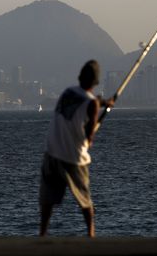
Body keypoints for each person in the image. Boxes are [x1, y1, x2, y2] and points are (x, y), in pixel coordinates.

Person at [39, 59, 114, 237]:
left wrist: (104, 103)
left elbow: (85, 102)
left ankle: (42, 233)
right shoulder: (92, 104)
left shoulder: (67, 92)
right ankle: (91, 233)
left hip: (52, 152)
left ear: (80, 77)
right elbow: (89, 138)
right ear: (95, 82)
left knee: (47, 200)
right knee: (85, 200)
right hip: (73, 159)